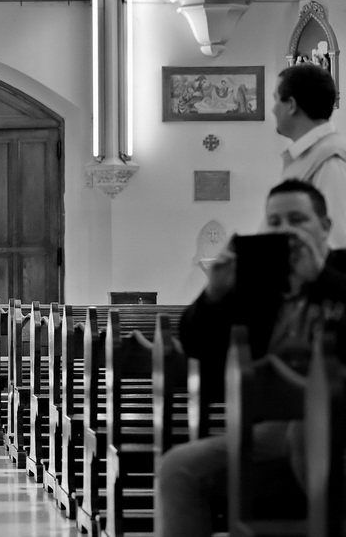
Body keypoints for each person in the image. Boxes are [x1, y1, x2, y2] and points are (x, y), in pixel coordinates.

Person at [154, 179, 346, 537]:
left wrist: (320, 277)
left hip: (340, 426)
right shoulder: (259, 285)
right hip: (269, 432)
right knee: (177, 468)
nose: (285, 230)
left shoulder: (341, 270)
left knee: (310, 436)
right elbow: (196, 344)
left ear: (325, 227)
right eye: (274, 222)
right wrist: (215, 294)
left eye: (297, 219)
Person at [274, 63, 346, 249]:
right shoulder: (310, 154)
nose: (273, 109)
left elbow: (336, 242)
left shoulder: (331, 158)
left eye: (276, 100)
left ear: (291, 105)